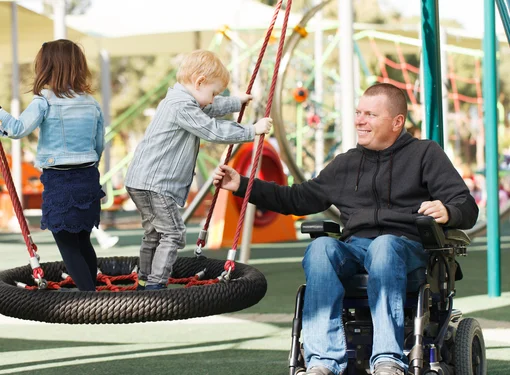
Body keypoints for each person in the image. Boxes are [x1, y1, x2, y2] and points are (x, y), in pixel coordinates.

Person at [213, 83, 478, 375]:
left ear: (397, 122)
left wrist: (448, 210)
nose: (359, 120)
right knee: (321, 247)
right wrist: (241, 185)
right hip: (356, 249)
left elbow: (466, 205)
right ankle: (322, 363)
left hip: (406, 250)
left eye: (370, 115)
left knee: (385, 246)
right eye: (358, 112)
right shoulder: (346, 164)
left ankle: (388, 360)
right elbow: (296, 198)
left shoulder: (425, 154)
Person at [124, 50, 272, 291]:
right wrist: (251, 131)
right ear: (199, 81)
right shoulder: (182, 106)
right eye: (213, 92)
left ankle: (144, 280)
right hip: (155, 184)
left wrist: (236, 102)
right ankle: (155, 287)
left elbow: (208, 107)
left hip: (140, 181)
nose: (214, 99)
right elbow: (211, 130)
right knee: (173, 233)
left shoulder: (178, 99)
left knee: (154, 233)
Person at [0, 39, 105, 292]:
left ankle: (88, 297)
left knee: (67, 244)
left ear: (46, 68)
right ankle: (92, 292)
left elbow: (17, 129)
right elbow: (99, 144)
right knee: (83, 241)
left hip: (60, 181)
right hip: (88, 177)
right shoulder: (91, 103)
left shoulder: (44, 101)